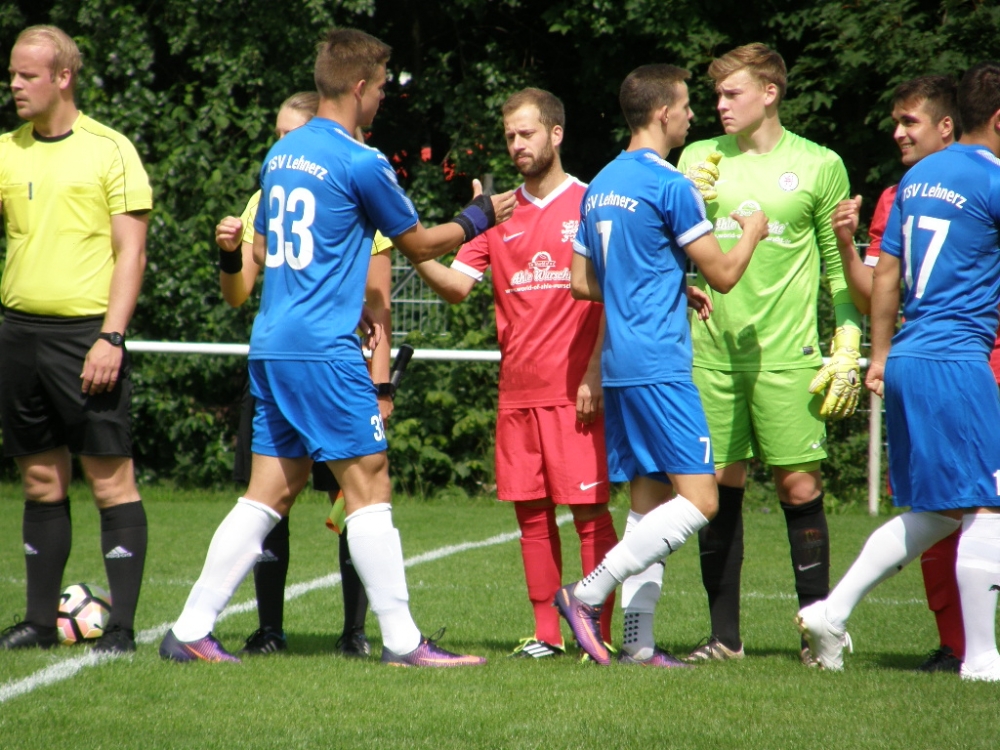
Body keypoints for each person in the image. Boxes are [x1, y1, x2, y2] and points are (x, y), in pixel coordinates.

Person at [159, 27, 516, 666]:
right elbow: (419, 245)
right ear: (358, 86)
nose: (381, 100)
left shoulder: (282, 155)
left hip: (272, 343)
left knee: (271, 490)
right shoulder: (361, 161)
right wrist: (481, 215)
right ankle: (403, 642)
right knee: (369, 482)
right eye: (380, 89)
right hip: (324, 348)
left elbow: (268, 247)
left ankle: (189, 631)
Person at [555, 63, 769, 667]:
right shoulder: (671, 184)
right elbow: (723, 275)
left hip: (621, 364)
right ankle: (586, 594)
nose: (694, 115)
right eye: (686, 106)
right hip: (660, 364)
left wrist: (664, 284)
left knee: (647, 502)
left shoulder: (601, 182)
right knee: (701, 501)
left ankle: (637, 643)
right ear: (662, 113)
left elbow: (580, 282)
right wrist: (752, 231)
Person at [797, 61, 1000, 682]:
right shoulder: (993, 180)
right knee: (988, 507)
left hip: (911, 355)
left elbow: (885, 277)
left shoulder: (915, 181)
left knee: (938, 513)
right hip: (956, 359)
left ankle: (831, 612)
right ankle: (982, 658)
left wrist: (881, 355)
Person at [411, 88, 621, 658]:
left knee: (589, 514)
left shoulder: (591, 201)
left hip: (576, 390)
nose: (516, 145)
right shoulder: (495, 212)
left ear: (556, 134)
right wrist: (409, 246)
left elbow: (614, 293)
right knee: (531, 515)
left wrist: (595, 371)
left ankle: (597, 631)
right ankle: (546, 635)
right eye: (509, 136)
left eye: (526, 133)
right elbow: (456, 287)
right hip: (518, 392)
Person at [675, 43, 860, 664]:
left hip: (788, 354)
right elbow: (665, 251)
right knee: (715, 491)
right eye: (716, 95)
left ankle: (818, 635)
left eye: (732, 93)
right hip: (711, 354)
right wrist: (681, 200)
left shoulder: (819, 164)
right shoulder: (697, 158)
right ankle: (724, 638)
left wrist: (848, 340)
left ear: (770, 92)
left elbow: (837, 264)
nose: (720, 105)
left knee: (799, 486)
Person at [213, 93, 393, 657]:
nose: (284, 147)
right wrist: (229, 253)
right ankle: (269, 629)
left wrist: (381, 387)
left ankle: (354, 633)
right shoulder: (268, 194)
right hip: (294, 363)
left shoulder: (351, 180)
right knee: (278, 501)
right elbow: (237, 293)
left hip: (327, 366)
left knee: (346, 499)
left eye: (292, 134)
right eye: (278, 136)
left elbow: (378, 306)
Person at [0, 25, 152, 654]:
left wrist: (111, 336)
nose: (14, 85)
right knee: (40, 480)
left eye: (27, 75)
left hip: (87, 336)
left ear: (63, 77)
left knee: (110, 481)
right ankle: (39, 624)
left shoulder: (110, 150)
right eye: (12, 74)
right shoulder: (5, 151)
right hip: (18, 334)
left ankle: (120, 629)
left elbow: (131, 252)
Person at [830, 75, 964, 673]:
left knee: (952, 509)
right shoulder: (896, 194)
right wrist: (844, 243)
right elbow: (872, 294)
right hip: (937, 365)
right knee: (940, 508)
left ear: (946, 126)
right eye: (896, 122)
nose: (898, 133)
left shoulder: (982, 182)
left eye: (910, 122)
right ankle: (957, 645)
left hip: (967, 362)